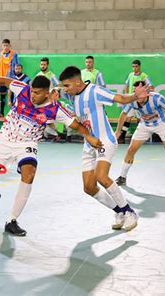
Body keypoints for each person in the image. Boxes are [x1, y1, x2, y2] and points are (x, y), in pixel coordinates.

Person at [0, 75, 102, 236]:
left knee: (29, 173)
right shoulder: (23, 90)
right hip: (4, 139)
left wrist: (88, 136)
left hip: (27, 143)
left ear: (47, 93)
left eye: (37, 93)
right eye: (32, 91)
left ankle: (11, 220)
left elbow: (76, 125)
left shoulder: (55, 109)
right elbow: (4, 80)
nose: (32, 95)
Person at [59, 66, 149, 232]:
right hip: (89, 144)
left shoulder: (94, 91)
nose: (64, 89)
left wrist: (135, 96)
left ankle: (129, 212)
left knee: (101, 176)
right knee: (88, 187)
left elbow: (120, 98)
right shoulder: (74, 97)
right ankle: (119, 212)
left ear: (77, 82)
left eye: (66, 86)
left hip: (105, 141)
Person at [115, 80, 165, 191]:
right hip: (144, 125)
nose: (138, 96)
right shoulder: (133, 100)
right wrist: (118, 131)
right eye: (136, 92)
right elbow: (123, 114)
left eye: (140, 92)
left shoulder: (156, 98)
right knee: (131, 150)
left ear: (146, 91)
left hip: (162, 123)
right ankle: (122, 176)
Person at [118, 59, 153, 144]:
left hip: (140, 102)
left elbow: (151, 87)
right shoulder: (130, 75)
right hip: (131, 101)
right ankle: (122, 137)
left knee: (139, 119)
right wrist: (126, 95)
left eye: (136, 66)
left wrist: (144, 96)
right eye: (133, 66)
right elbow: (127, 85)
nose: (134, 68)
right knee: (128, 118)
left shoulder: (144, 76)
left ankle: (140, 138)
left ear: (139, 67)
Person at [0, 39, 19, 118]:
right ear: (2, 46)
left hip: (11, 78)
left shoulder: (14, 55)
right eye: (4, 45)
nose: (5, 47)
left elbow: (17, 66)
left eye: (7, 45)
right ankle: (1, 113)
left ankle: (13, 113)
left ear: (9, 46)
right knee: (2, 95)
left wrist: (16, 77)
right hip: (1, 78)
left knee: (11, 95)